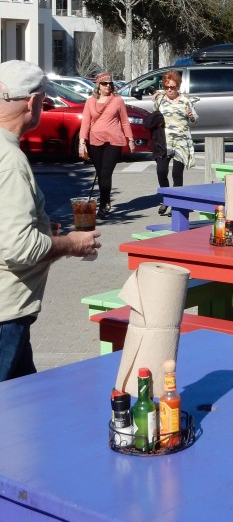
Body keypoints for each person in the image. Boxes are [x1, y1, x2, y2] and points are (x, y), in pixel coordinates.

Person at [0, 60, 100, 381]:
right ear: (31, 102)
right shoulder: (10, 161)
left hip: (10, 316)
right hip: (6, 315)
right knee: (18, 411)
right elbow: (19, 248)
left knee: (28, 403)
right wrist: (71, 243)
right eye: (43, 100)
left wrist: (41, 227)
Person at [79, 72, 135, 218]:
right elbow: (85, 123)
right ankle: (107, 200)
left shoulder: (118, 101)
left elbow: (124, 121)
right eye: (104, 84)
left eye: (110, 83)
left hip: (114, 141)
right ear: (98, 85)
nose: (108, 86)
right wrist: (82, 142)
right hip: (95, 141)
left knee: (105, 173)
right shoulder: (90, 101)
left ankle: (103, 205)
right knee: (101, 173)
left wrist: (130, 139)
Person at [152, 70, 198, 216]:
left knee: (177, 174)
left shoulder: (185, 100)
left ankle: (176, 204)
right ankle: (167, 199)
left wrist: (190, 116)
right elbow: (155, 116)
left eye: (172, 87)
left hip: (181, 142)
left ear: (177, 86)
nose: (169, 90)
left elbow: (195, 119)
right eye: (166, 87)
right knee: (161, 171)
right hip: (164, 141)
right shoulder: (160, 100)